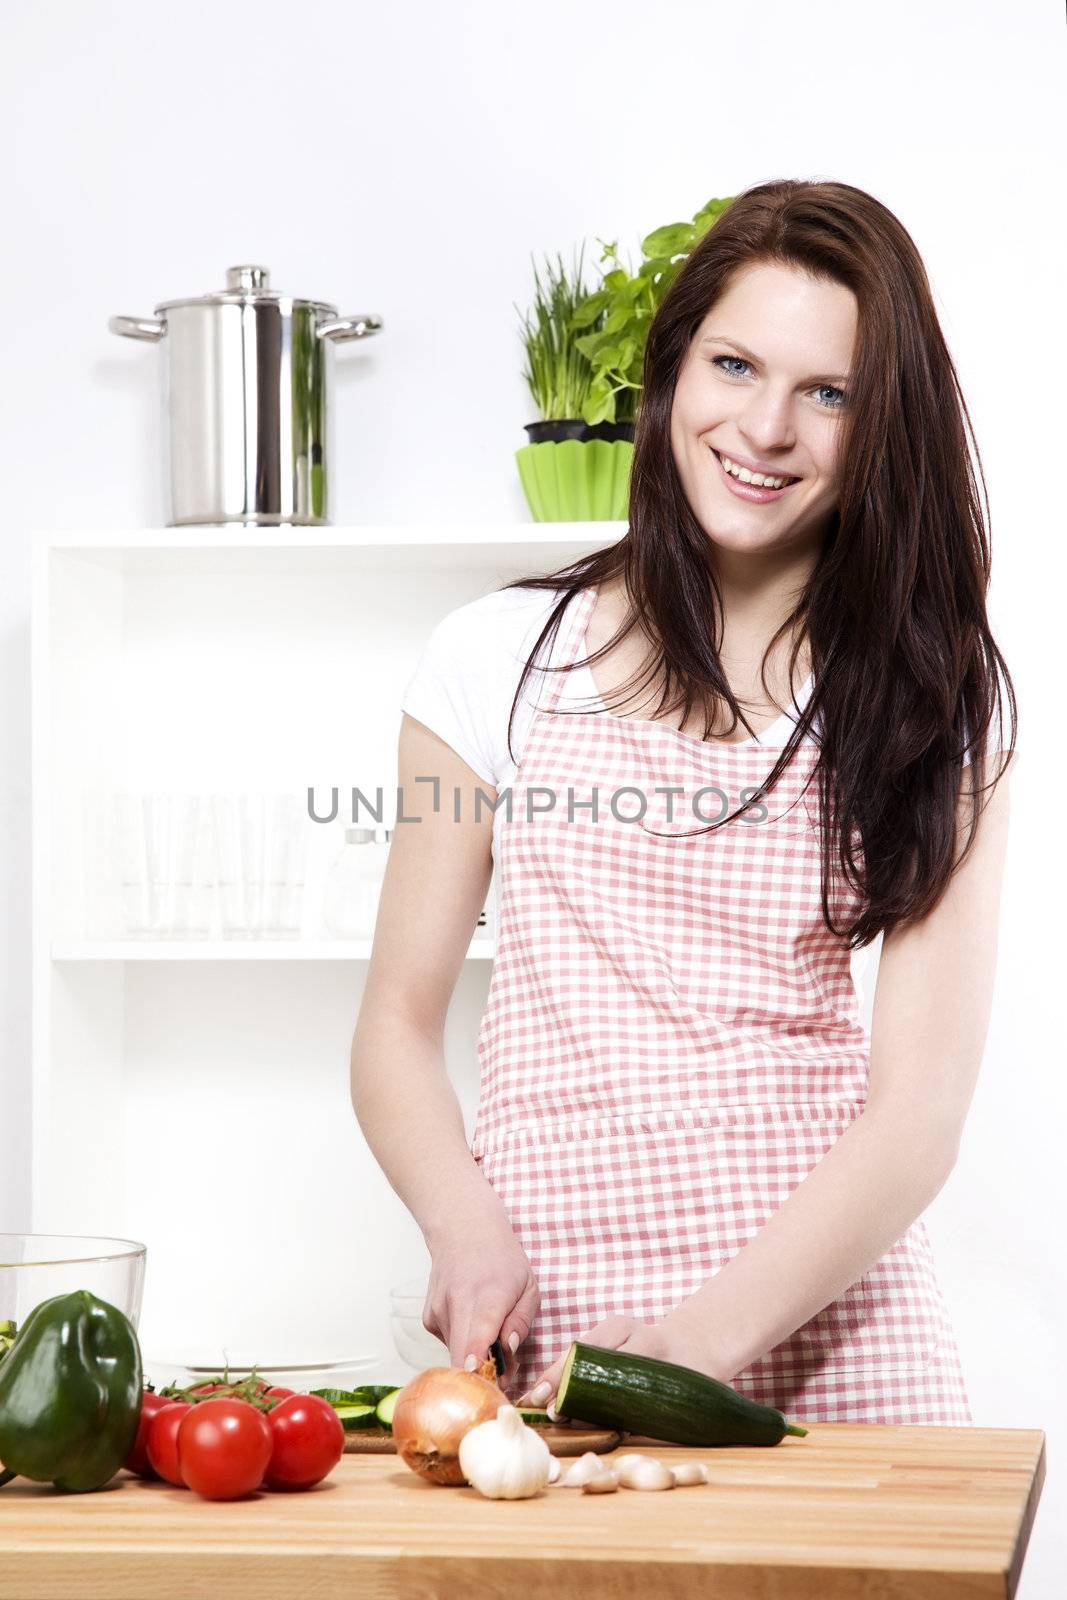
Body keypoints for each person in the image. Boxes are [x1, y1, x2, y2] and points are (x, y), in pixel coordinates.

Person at [350, 177, 1017, 1424]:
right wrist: (463, 1231)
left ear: (883, 430)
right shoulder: (491, 660)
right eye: (733, 364)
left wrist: (693, 1342)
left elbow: (920, 1107)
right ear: (669, 374)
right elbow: (394, 1023)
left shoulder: (934, 701)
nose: (765, 427)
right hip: (554, 1308)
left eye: (829, 393)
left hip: (830, 1321)